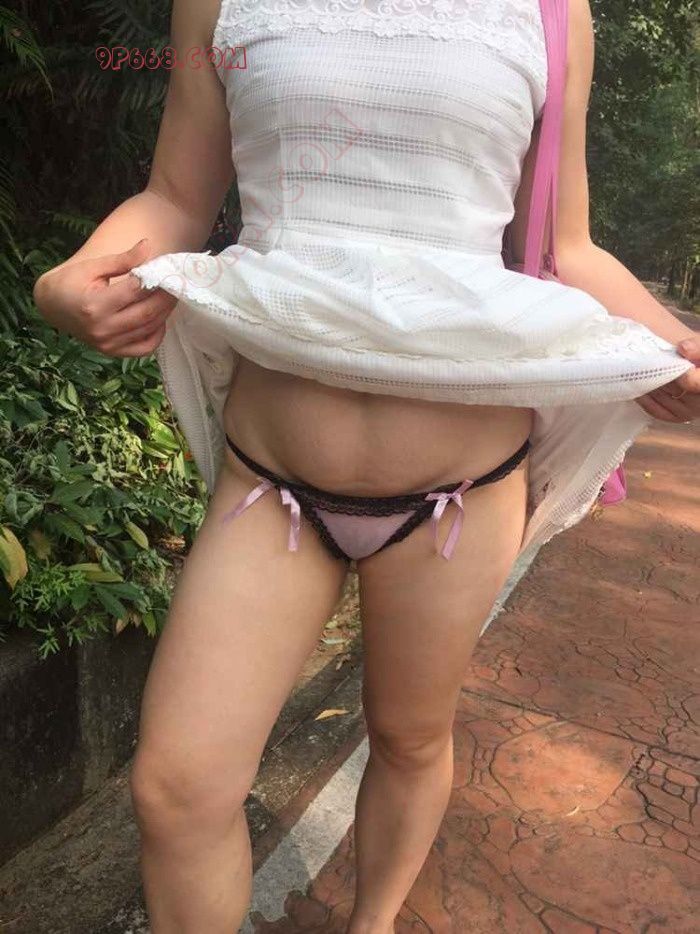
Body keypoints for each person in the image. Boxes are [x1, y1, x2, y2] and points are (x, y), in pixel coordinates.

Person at [33, 0, 699, 930]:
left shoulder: (553, 12)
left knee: (411, 738)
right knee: (177, 790)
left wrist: (675, 346)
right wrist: (68, 279)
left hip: (461, 496)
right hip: (269, 484)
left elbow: (566, 247)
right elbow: (177, 197)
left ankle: (374, 922)